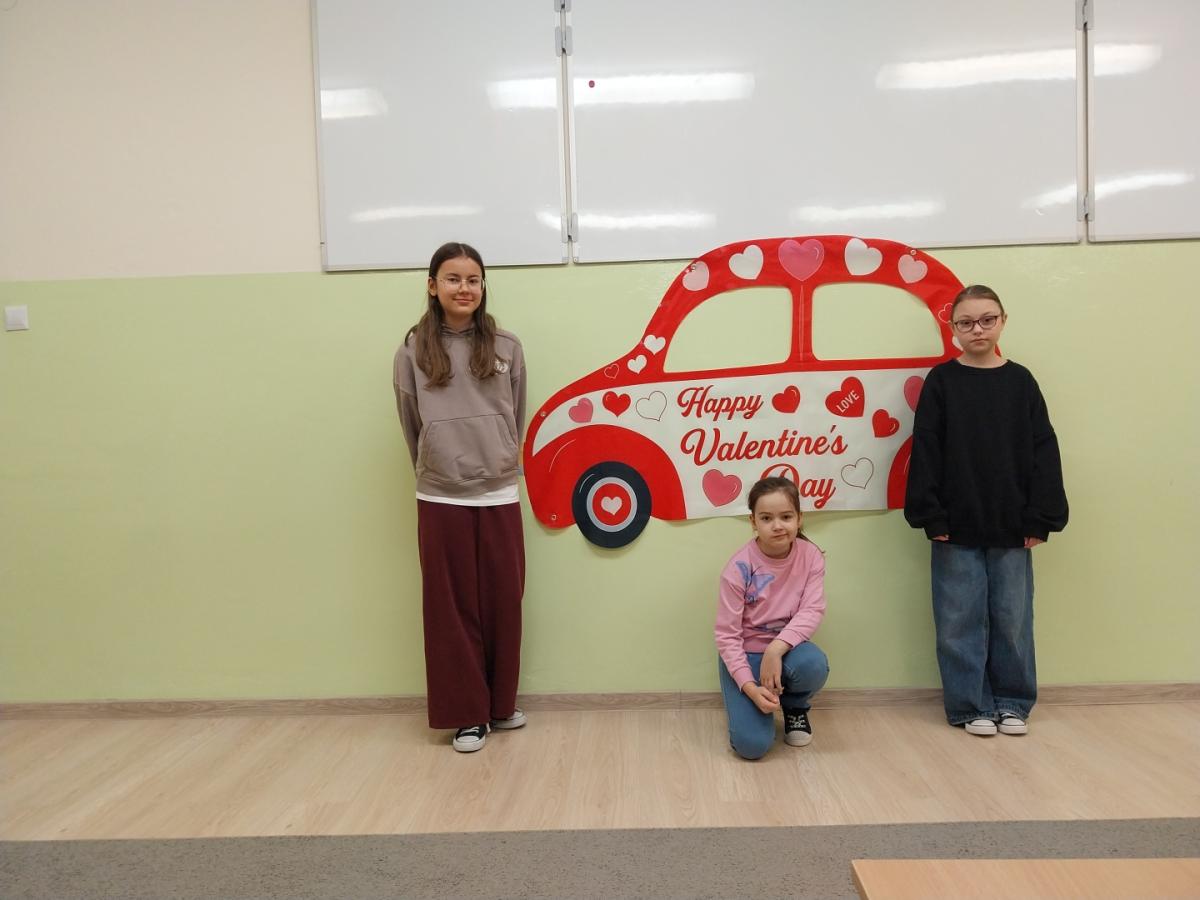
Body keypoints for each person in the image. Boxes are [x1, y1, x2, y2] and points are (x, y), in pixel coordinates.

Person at [905, 284, 1068, 737]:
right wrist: (930, 515)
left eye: (986, 320)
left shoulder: (1021, 382)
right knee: (958, 620)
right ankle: (969, 704)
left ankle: (1013, 702)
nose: (977, 329)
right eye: (966, 322)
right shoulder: (942, 381)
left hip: (1014, 525)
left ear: (1002, 321)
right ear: (953, 328)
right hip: (954, 525)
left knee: (1013, 619)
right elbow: (926, 449)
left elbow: (1044, 449)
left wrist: (1041, 517)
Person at [393, 242, 528, 753]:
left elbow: (516, 414)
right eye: (452, 279)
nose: (464, 288)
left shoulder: (507, 346)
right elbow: (410, 422)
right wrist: (436, 462)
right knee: (450, 609)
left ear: (483, 286)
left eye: (473, 279)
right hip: (441, 495)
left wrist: (500, 455)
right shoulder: (412, 351)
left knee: (503, 602)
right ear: (433, 286)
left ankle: (499, 704)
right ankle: (468, 714)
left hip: (499, 490)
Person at [715, 476, 830, 760]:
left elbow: (812, 610)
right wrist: (750, 687)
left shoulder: (811, 556)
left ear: (799, 519)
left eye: (786, 517)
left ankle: (794, 707)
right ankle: (755, 705)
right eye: (766, 518)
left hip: (786, 651)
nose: (777, 525)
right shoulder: (738, 568)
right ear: (753, 521)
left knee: (813, 664)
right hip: (744, 656)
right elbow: (727, 636)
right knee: (752, 746)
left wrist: (775, 650)